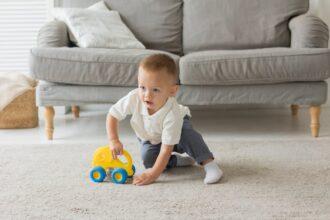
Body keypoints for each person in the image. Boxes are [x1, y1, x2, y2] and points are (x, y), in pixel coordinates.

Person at [106, 54, 223, 185]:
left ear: (172, 91)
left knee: (188, 136)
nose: (147, 95)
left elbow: (166, 149)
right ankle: (176, 161)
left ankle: (209, 164)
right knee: (149, 161)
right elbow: (113, 115)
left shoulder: (173, 113)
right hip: (151, 137)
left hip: (177, 131)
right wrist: (114, 140)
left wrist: (153, 175)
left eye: (155, 90)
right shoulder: (134, 98)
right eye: (142, 87)